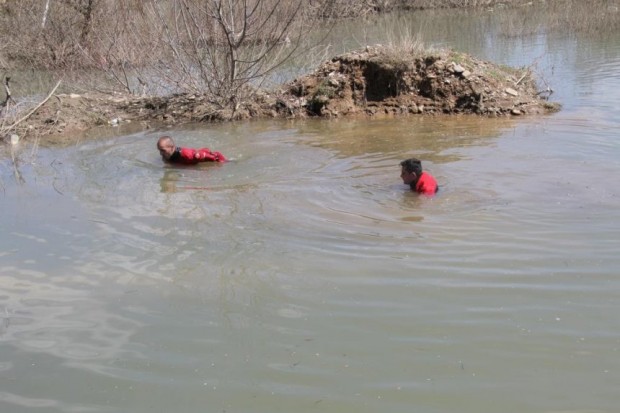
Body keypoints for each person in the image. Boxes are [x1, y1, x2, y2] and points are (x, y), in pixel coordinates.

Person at [157, 135, 227, 164]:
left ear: (172, 147)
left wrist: (223, 163)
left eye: (163, 150)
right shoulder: (167, 156)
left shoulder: (188, 155)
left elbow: (216, 156)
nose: (160, 153)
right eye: (159, 150)